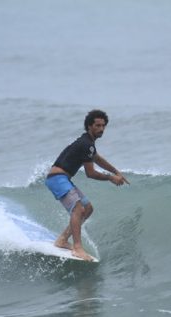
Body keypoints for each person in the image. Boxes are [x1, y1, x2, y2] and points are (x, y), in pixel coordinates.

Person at [45, 109, 129, 261]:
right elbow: (90, 173)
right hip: (57, 178)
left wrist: (116, 171)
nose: (101, 129)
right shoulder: (86, 144)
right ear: (89, 126)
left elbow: (97, 159)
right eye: (97, 125)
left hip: (63, 178)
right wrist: (111, 178)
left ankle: (63, 240)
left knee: (88, 208)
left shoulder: (88, 143)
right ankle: (77, 248)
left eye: (103, 126)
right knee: (78, 208)